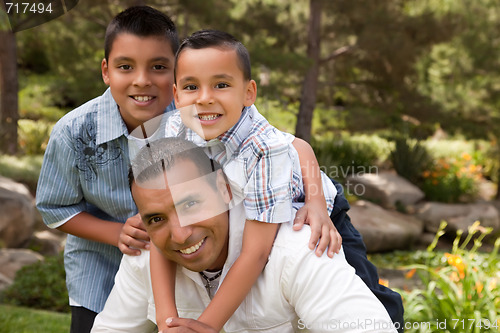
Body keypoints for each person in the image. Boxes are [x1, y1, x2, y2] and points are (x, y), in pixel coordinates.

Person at [143, 29, 403, 332]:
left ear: (248, 93)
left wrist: (316, 202)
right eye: (191, 87)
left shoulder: (263, 149)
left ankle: (392, 321)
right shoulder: (175, 128)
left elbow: (256, 253)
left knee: (358, 285)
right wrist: (167, 322)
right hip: (247, 201)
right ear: (176, 96)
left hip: (312, 203)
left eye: (221, 84)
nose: (204, 98)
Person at [92, 137, 398, 333]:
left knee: (381, 303)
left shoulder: (297, 247)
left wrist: (316, 203)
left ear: (225, 191)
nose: (181, 234)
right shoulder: (147, 251)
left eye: (191, 204)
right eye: (156, 218)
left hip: (321, 208)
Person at [35, 6, 179, 332]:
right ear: (106, 71)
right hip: (98, 270)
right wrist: (117, 234)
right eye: (125, 66)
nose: (142, 81)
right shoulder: (73, 131)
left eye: (158, 67)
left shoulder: (192, 124)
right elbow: (55, 208)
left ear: (176, 72)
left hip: (177, 267)